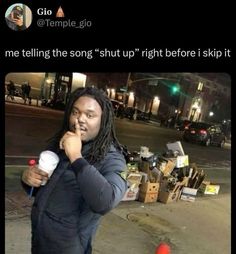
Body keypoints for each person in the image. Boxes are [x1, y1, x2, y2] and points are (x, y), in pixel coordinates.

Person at [21, 87, 128, 254]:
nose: (80, 120)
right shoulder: (62, 142)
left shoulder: (112, 158)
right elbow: (43, 186)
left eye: (90, 115)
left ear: (103, 120)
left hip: (70, 247)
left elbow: (105, 202)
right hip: (40, 240)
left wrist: (76, 157)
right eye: (75, 112)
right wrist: (28, 179)